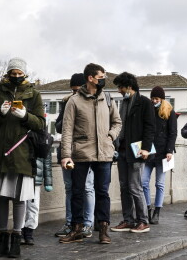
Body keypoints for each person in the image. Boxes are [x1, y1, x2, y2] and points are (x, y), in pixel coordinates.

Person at [0, 58, 45, 258]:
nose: (16, 76)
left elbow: (41, 124)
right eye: (13, 73)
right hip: (0, 151)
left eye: (20, 73)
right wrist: (0, 113)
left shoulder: (34, 95)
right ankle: (3, 241)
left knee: (19, 198)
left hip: (22, 152)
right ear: (8, 73)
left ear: (24, 74)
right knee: (2, 197)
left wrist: (25, 115)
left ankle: (17, 239)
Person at [60, 63, 122, 245]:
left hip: (104, 153)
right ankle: (77, 229)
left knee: (102, 192)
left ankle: (103, 230)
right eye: (101, 77)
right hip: (81, 153)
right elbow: (67, 130)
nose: (103, 80)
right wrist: (65, 155)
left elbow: (117, 122)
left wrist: (110, 136)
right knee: (77, 192)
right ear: (90, 78)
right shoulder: (74, 101)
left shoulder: (107, 98)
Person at [109, 72, 155, 234]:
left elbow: (150, 128)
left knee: (135, 187)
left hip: (136, 151)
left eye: (120, 87)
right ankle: (128, 220)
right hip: (122, 150)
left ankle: (143, 221)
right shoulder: (125, 102)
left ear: (129, 87)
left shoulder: (144, 103)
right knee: (124, 187)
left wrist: (146, 149)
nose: (119, 90)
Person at [54, 73, 95, 238]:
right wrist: (67, 118)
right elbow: (58, 126)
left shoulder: (92, 102)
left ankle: (87, 224)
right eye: (72, 91)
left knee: (87, 187)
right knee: (70, 187)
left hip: (85, 153)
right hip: (68, 153)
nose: (74, 93)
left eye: (77, 90)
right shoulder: (67, 103)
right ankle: (70, 222)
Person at [142, 86, 177, 225]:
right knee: (143, 181)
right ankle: (147, 208)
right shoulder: (148, 110)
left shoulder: (169, 112)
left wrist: (169, 150)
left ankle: (157, 211)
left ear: (162, 99)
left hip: (163, 153)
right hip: (149, 151)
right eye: (153, 98)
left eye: (156, 99)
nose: (154, 101)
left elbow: (173, 133)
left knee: (160, 184)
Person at [21, 152, 53, 245]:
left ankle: (29, 232)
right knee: (21, 205)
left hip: (35, 179)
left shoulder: (43, 138)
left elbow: (47, 162)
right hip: (22, 175)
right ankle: (20, 231)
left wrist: (48, 182)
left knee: (33, 206)